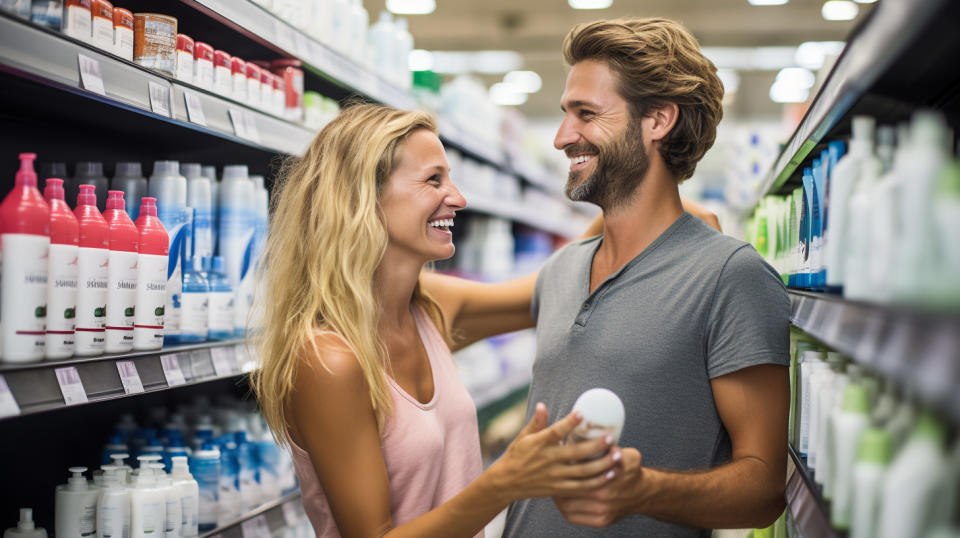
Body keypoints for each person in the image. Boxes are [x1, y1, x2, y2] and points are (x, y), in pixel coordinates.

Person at [252, 103, 624, 538]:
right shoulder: (330, 360)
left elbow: (558, 286)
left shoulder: (429, 306)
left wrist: (643, 199)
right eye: (434, 179)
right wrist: (505, 483)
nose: (459, 198)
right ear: (362, 198)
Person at [499, 17, 792, 537]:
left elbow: (764, 488)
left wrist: (644, 491)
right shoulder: (561, 271)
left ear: (658, 120)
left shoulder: (731, 276)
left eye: (586, 114)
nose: (564, 137)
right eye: (566, 115)